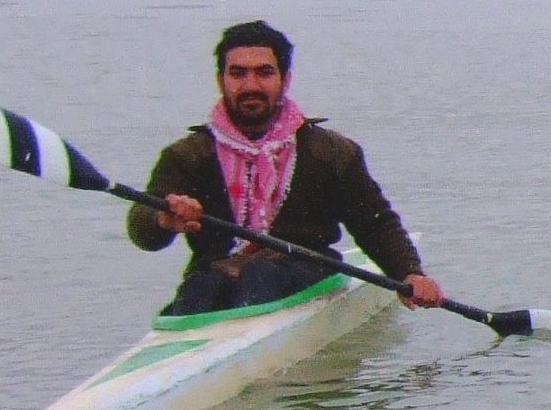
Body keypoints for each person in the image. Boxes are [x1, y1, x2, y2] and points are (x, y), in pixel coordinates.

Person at [127, 19, 443, 317]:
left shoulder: (331, 152)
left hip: (306, 271)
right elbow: (143, 231)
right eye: (237, 73)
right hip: (214, 276)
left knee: (259, 273)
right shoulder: (186, 156)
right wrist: (163, 218)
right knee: (202, 287)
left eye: (264, 72)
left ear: (285, 79)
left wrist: (409, 272)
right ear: (220, 80)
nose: (251, 84)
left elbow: (375, 224)